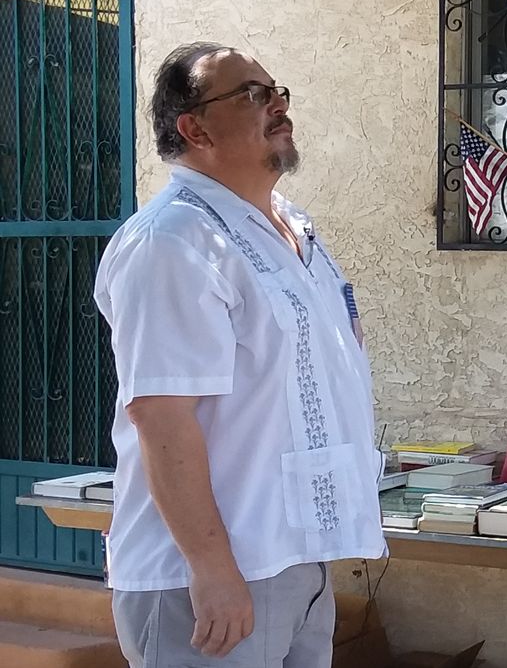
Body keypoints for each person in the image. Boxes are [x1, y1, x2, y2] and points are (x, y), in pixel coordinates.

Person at [95, 43, 385, 667]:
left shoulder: (292, 228)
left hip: (296, 560)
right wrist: (211, 568)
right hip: (209, 580)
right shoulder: (172, 241)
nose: (277, 104)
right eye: (252, 95)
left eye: (277, 91)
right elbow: (161, 414)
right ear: (194, 128)